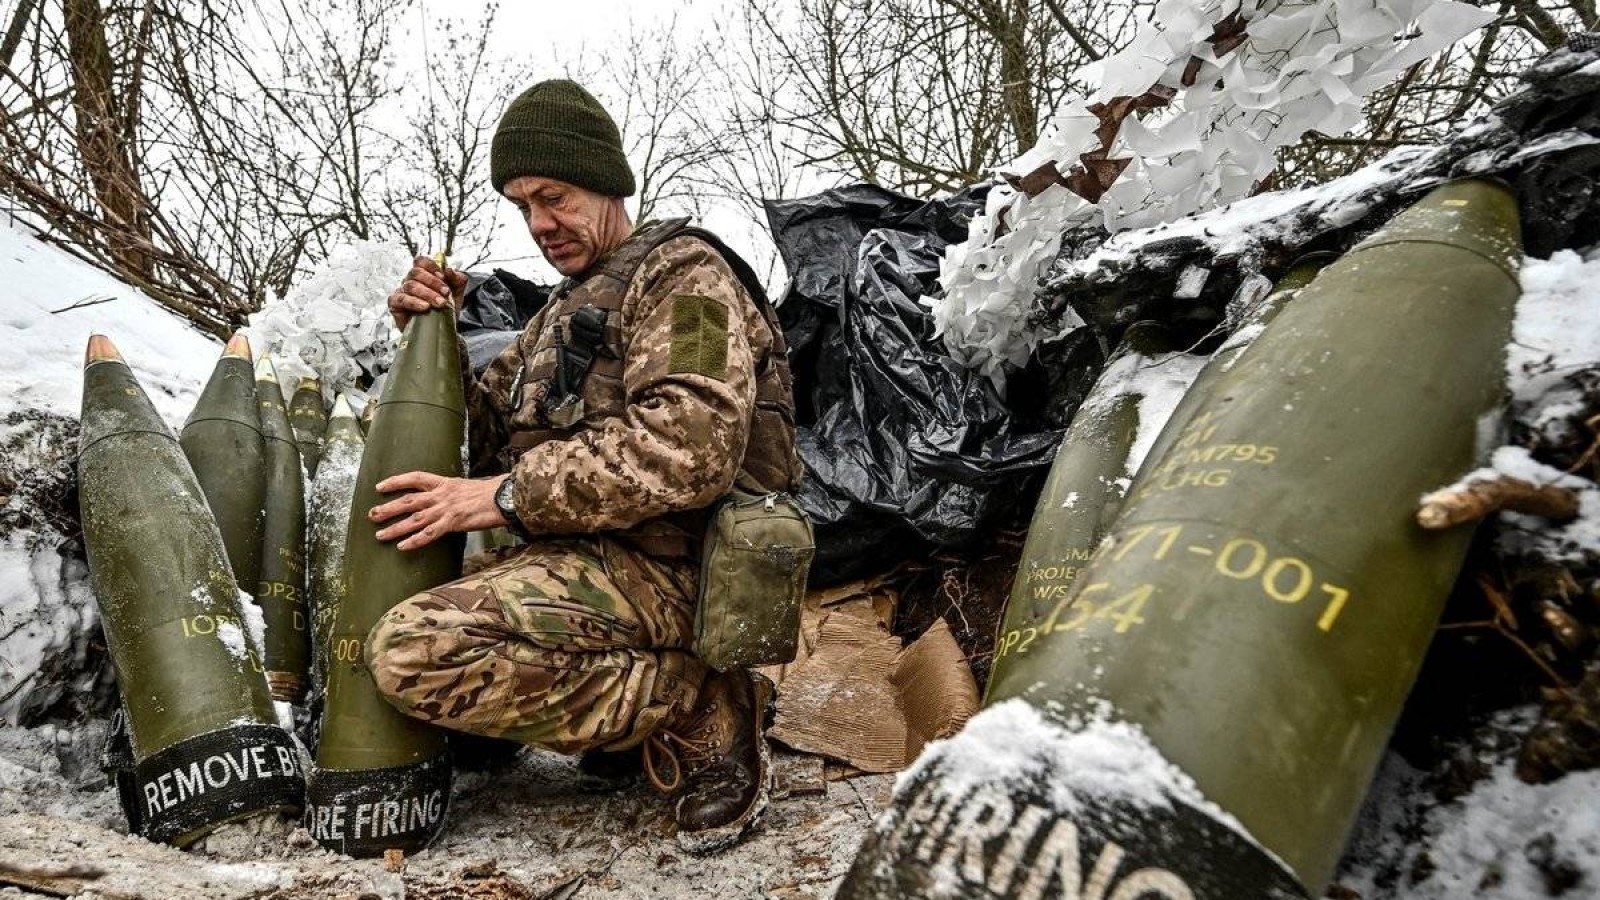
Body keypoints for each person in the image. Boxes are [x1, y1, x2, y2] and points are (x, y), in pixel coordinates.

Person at [365, 79, 802, 853]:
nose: (539, 223)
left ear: (606, 181)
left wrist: (502, 497)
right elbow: (478, 436)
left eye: (554, 196)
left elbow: (691, 444)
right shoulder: (557, 317)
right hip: (590, 561)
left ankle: (695, 702)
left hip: (681, 564)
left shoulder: (684, 277)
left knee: (417, 652)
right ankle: (632, 718)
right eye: (521, 204)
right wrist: (427, 340)